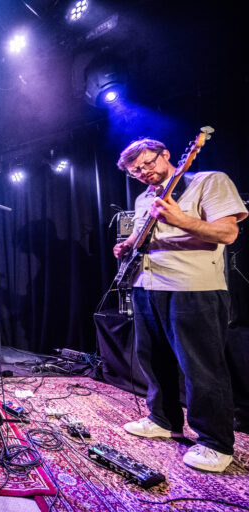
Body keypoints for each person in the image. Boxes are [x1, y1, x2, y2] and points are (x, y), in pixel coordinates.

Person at [113, 138, 247, 472]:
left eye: (148, 163)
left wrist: (180, 219)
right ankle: (163, 419)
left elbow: (227, 234)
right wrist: (127, 245)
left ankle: (216, 444)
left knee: (201, 366)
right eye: (136, 171)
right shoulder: (145, 197)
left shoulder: (208, 180)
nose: (145, 173)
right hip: (146, 286)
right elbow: (147, 234)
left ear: (166, 154)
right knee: (154, 359)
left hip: (193, 288)